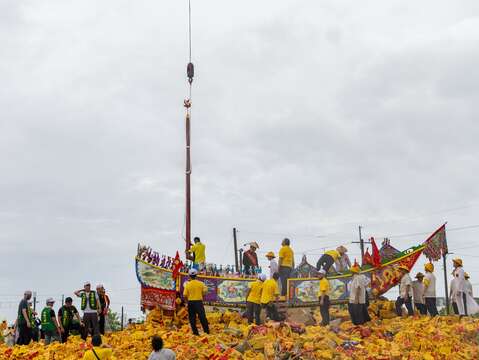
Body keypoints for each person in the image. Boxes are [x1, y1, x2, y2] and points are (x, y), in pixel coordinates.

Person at [183, 269, 210, 336]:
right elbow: (205, 292)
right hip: (199, 302)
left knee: (192, 318)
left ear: (189, 276)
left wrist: (187, 303)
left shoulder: (187, 285)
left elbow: (185, 295)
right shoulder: (201, 284)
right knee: (202, 317)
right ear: (196, 276)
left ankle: (195, 333)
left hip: (190, 303)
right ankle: (206, 332)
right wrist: (201, 295)